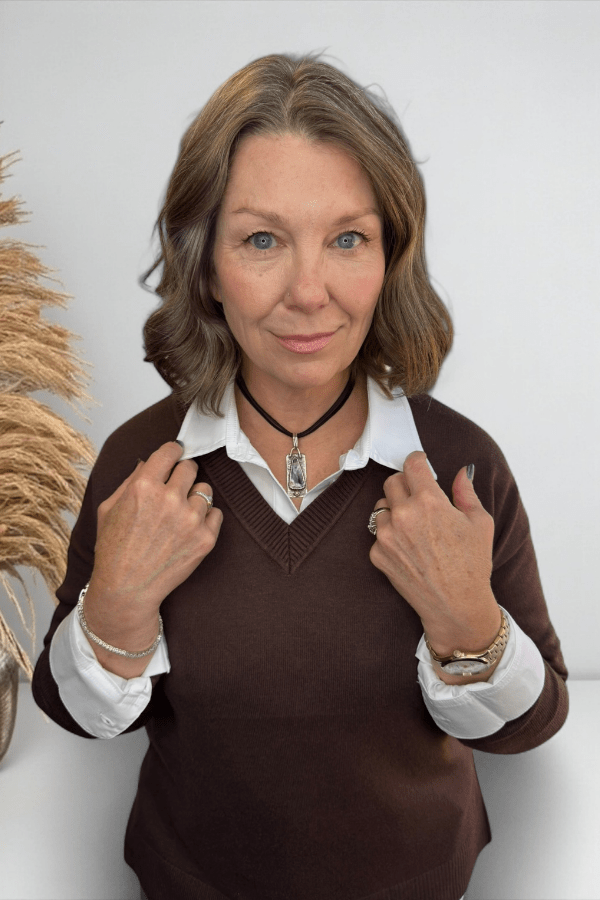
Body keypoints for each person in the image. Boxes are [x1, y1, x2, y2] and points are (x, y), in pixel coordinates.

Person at [32, 53, 568, 900]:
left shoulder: (463, 466)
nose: (310, 292)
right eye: (262, 240)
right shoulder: (142, 464)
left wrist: (467, 618)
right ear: (205, 264)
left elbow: (534, 725)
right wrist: (118, 610)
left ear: (391, 255)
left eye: (347, 238)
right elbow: (71, 714)